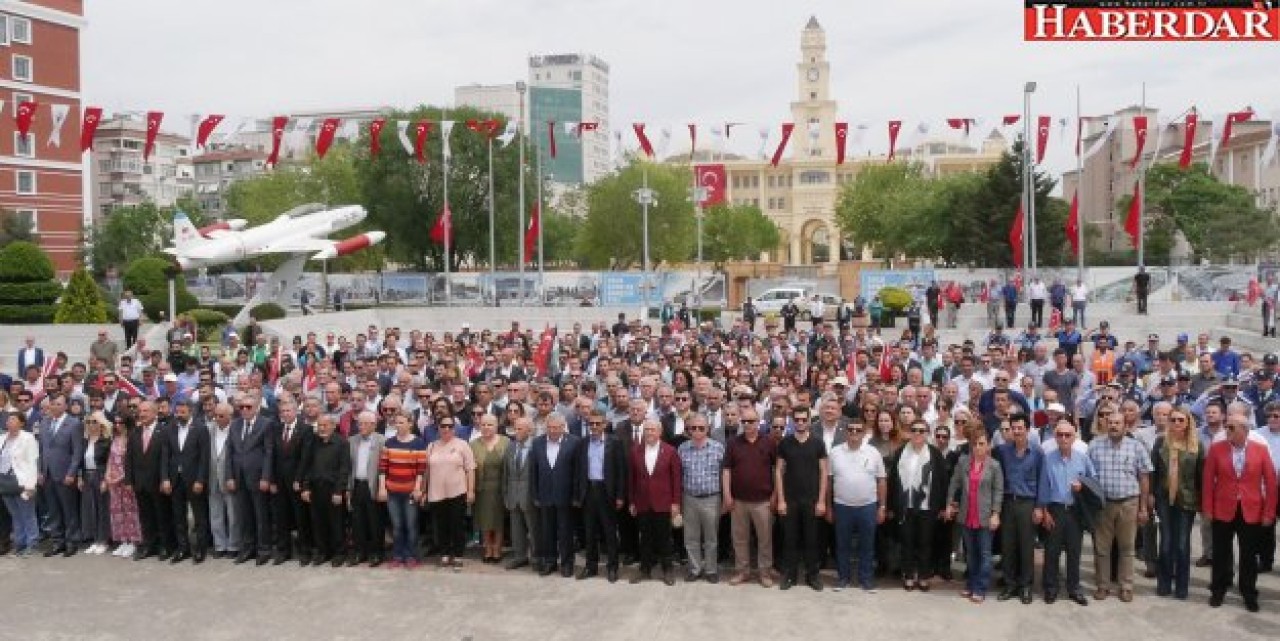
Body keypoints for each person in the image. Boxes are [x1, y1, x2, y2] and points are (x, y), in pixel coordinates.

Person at [1202, 416, 1277, 613]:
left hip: (1251, 509)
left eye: (1231, 427)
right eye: (1226, 427)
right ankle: (1218, 589)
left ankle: (1248, 591)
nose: (1227, 430)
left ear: (1244, 429)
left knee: (1249, 555)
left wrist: (1269, 512)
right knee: (1221, 553)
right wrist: (1207, 509)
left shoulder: (1260, 450)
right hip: (1223, 509)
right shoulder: (1217, 449)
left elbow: (1270, 483)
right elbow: (1208, 481)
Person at [1087, 412, 1153, 603]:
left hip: (1129, 503)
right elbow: (1086, 474)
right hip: (1103, 505)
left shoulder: (1136, 446)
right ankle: (1103, 586)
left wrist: (1143, 508)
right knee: (1102, 548)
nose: (1114, 426)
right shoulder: (1095, 445)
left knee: (1127, 548)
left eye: (1117, 423)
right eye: (1110, 422)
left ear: (1125, 426)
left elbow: (1144, 477)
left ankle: (1126, 586)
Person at [1035, 418, 1095, 606]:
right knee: (1051, 552)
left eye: (1067, 435)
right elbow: (1043, 485)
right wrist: (1044, 511)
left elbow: (1093, 480)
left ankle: (1074, 588)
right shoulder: (1048, 457)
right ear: (1055, 436)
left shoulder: (1082, 457)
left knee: (1074, 552)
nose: (1063, 438)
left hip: (1075, 511)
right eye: (1059, 435)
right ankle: (1051, 588)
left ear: (1074, 436)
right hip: (1055, 509)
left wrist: (1082, 487)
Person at [887, 418, 948, 592]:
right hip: (905, 505)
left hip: (927, 506)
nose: (918, 434)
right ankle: (908, 575)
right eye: (914, 430)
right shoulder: (900, 452)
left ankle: (923, 576)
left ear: (927, 433)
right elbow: (893, 481)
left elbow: (942, 482)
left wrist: (942, 506)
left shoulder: (935, 454)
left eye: (922, 431)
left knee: (925, 542)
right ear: (910, 432)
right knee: (907, 542)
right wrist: (891, 506)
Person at [1150, 406, 1202, 600]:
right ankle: (1164, 583)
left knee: (1181, 545)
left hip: (1186, 501)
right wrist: (1151, 495)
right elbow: (1153, 470)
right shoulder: (1161, 442)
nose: (1176, 423)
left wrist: (1201, 501)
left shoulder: (1196, 445)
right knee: (1165, 544)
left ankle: (1181, 586)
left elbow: (1200, 476)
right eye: (1173, 420)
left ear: (1188, 422)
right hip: (1164, 499)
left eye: (1181, 420)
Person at [945, 432, 1003, 604]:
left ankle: (980, 587)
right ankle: (970, 584)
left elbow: (998, 491)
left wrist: (996, 513)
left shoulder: (994, 466)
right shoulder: (964, 462)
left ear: (988, 446)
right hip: (966, 514)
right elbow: (954, 483)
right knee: (971, 554)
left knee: (985, 555)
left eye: (982, 443)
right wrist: (949, 503)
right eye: (975, 444)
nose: (978, 447)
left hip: (985, 516)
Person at [830, 419, 886, 593]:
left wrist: (882, 506)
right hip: (842, 506)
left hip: (867, 506)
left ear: (863, 433)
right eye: (851, 430)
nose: (854, 433)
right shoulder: (835, 452)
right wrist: (828, 506)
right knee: (842, 545)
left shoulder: (873, 452)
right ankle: (843, 578)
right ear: (846, 432)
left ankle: (866, 579)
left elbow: (881, 480)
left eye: (858, 430)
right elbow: (829, 480)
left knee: (867, 545)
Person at [776, 406, 829, 591]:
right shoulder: (785, 443)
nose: (800, 422)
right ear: (792, 421)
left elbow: (824, 472)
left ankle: (812, 575)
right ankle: (789, 575)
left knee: (811, 539)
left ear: (808, 420)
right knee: (790, 539)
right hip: (790, 499)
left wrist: (822, 500)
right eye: (796, 419)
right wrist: (781, 500)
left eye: (803, 419)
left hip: (812, 499)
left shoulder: (818, 443)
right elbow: (778, 471)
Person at [723, 407, 777, 587]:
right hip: (738, 501)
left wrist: (776, 495)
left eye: (751, 421)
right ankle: (742, 571)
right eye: (744, 421)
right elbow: (726, 470)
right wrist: (727, 495)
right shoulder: (733, 443)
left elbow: (777, 470)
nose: (747, 425)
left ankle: (765, 572)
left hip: (763, 501)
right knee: (739, 538)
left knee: (765, 538)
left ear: (758, 421)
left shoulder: (769, 442)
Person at [994, 412, 1043, 604]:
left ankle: (1026, 586)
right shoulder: (1003, 451)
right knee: (1008, 546)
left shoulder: (1037, 453)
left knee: (1026, 546)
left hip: (1027, 503)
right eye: (1013, 428)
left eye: (1020, 428)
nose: (1016, 431)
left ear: (1028, 430)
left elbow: (1042, 481)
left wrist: (1039, 507)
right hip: (1008, 502)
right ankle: (1010, 584)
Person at [628, 418, 682, 586]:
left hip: (663, 502)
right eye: (647, 430)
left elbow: (676, 479)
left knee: (664, 538)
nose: (649, 433)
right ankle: (645, 569)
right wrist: (632, 501)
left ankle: (667, 569)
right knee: (644, 538)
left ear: (660, 432)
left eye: (652, 430)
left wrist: (675, 503)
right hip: (642, 502)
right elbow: (632, 479)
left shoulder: (670, 451)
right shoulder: (635, 451)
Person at [576, 408, 626, 582]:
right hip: (589, 490)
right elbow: (578, 471)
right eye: (592, 424)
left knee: (609, 532)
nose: (595, 427)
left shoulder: (615, 442)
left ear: (605, 424)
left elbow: (621, 471)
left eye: (598, 423)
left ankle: (612, 567)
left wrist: (620, 495)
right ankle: (591, 566)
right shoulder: (582, 443)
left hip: (607, 492)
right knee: (589, 532)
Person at [227, 393, 276, 565]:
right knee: (244, 515)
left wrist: (266, 477)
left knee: (261, 515)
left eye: (248, 407)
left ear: (256, 408)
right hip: (239, 477)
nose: (245, 410)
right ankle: (247, 548)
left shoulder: (266, 424)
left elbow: (269, 452)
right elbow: (229, 452)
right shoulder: (234, 425)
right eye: (242, 407)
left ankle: (264, 549)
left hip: (257, 477)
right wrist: (230, 476)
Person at [530, 412, 580, 577]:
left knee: (565, 532)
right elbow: (533, 471)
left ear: (563, 427)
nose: (552, 431)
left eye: (556, 428)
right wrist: (535, 494)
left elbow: (577, 473)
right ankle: (549, 561)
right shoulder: (537, 443)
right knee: (547, 531)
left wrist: (576, 496)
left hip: (565, 496)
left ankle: (567, 563)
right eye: (550, 427)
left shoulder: (573, 442)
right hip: (545, 495)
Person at [678, 412, 725, 583]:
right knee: (691, 537)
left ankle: (711, 569)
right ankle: (695, 568)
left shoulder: (718, 448)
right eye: (693, 428)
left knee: (711, 537)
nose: (697, 431)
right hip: (689, 498)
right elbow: (679, 475)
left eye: (701, 428)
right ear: (688, 429)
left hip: (712, 499)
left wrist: (725, 498)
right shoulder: (682, 448)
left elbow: (723, 475)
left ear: (708, 429)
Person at [161, 401, 210, 564]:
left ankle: (200, 549)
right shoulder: (170, 429)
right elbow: (165, 456)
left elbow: (204, 457)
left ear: (191, 412)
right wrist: (165, 478)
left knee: (199, 516)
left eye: (183, 413)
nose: (179, 415)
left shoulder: (201, 429)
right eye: (178, 412)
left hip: (194, 478)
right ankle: (183, 548)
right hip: (175, 479)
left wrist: (200, 479)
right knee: (178, 516)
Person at [298, 415, 350, 567]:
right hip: (315, 489)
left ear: (333, 426)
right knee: (318, 522)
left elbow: (344, 468)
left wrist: (339, 491)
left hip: (333, 490)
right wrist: (305, 487)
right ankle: (322, 552)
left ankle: (339, 553)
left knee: (336, 523)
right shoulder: (313, 442)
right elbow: (307, 466)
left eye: (325, 425)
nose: (321, 428)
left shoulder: (342, 443)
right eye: (319, 425)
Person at [425, 413, 475, 570]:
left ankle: (458, 555)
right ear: (438, 428)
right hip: (436, 492)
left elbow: (470, 469)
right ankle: (444, 553)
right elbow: (426, 471)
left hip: (457, 491)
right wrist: (424, 490)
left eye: (450, 426)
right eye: (443, 426)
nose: (446, 429)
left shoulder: (462, 445)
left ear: (455, 428)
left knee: (457, 525)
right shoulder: (431, 446)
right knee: (441, 525)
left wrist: (471, 490)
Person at [378, 412, 427, 569]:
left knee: (411, 525)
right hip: (392, 491)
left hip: (410, 491)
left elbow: (421, 469)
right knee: (397, 525)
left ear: (410, 424)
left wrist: (418, 488)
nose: (398, 425)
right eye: (396, 422)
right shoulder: (389, 443)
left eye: (401, 422)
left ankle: (411, 555)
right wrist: (382, 488)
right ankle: (398, 555)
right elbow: (382, 468)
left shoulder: (419, 443)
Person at [40, 394, 85, 557]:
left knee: (69, 509)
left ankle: (72, 541)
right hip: (48, 473)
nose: (54, 406)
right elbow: (42, 449)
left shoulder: (74, 424)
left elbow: (77, 451)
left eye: (58, 404)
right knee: (53, 510)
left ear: (66, 406)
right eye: (52, 404)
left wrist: (72, 472)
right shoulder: (45, 423)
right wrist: (41, 470)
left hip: (65, 473)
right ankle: (57, 541)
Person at [126, 400, 171, 561]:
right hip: (140, 483)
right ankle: (149, 545)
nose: (142, 414)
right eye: (140, 411)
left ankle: (165, 546)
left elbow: (166, 458)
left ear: (155, 413)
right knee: (145, 516)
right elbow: (129, 458)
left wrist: (165, 479)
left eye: (145, 411)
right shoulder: (135, 432)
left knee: (162, 515)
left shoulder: (164, 431)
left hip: (158, 482)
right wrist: (129, 481)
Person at [470, 413, 509, 564]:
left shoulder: (506, 442)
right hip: (482, 489)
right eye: (483, 424)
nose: (486, 427)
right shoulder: (473, 444)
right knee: (485, 521)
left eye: (490, 424)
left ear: (496, 426)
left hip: (500, 488)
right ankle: (488, 549)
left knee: (498, 521)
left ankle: (497, 549)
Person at [347, 411, 385, 567]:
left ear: (373, 425)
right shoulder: (351, 441)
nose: (360, 426)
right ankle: (359, 552)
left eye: (364, 423)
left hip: (373, 485)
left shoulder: (382, 441)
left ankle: (376, 553)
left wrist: (381, 487)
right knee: (357, 522)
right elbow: (348, 466)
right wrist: (348, 488)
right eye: (359, 423)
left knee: (375, 521)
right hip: (356, 484)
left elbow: (384, 467)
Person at [1, 412, 40, 556]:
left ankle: (32, 543)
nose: (9, 422)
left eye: (13, 419)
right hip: (5, 481)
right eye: (8, 419)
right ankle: (20, 543)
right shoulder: (2, 438)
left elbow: (32, 462)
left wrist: (31, 485)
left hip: (22, 481)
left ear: (22, 423)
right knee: (15, 514)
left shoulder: (28, 438)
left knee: (27, 514)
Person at [503, 416, 539, 570]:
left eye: (519, 429)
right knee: (516, 529)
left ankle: (537, 558)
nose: (515, 432)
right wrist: (505, 494)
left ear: (530, 431)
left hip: (530, 496)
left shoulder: (537, 447)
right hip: (513, 495)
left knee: (534, 529)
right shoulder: (511, 447)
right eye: (514, 428)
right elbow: (505, 473)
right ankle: (520, 556)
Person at [205, 403, 238, 559]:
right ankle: (220, 545)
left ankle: (234, 545)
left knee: (233, 514)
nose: (216, 418)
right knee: (215, 513)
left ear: (230, 416)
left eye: (221, 416)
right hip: (212, 478)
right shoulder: (209, 430)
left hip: (229, 478)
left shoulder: (236, 430)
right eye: (215, 415)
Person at [78, 411, 113, 555]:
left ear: (101, 424)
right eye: (89, 422)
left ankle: (103, 539)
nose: (91, 425)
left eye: (94, 422)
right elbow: (80, 461)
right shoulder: (84, 441)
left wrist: (106, 479)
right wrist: (80, 477)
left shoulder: (106, 441)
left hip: (100, 475)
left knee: (102, 508)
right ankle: (94, 539)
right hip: (87, 475)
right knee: (90, 508)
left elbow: (109, 462)